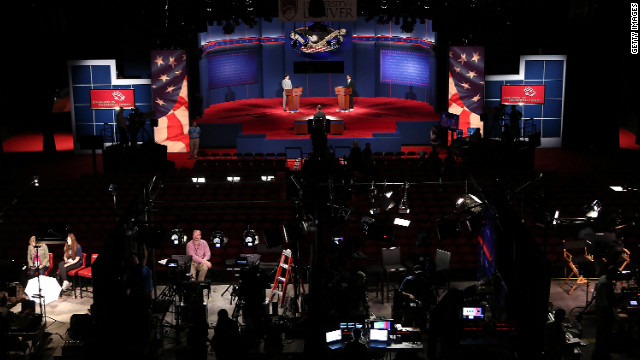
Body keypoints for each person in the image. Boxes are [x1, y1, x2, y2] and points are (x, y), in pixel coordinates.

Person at [593, 266, 618, 360]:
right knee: (604, 332)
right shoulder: (605, 283)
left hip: (600, 308)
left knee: (600, 333)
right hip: (603, 311)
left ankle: (599, 352)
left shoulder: (602, 277)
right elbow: (606, 302)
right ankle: (603, 354)